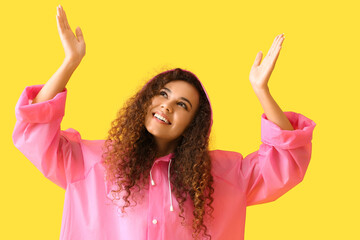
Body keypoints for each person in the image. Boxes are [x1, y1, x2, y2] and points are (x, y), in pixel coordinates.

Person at [12, 5, 316, 240]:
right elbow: (36, 133)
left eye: (182, 105)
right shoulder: (92, 162)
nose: (166, 106)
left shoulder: (223, 176)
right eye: (162, 95)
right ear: (146, 101)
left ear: (193, 124)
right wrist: (68, 64)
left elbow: (286, 161)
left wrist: (262, 92)